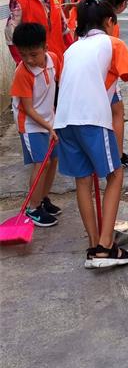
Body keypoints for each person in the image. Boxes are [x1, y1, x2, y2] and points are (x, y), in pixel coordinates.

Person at [53, 0, 128, 268]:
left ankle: (94, 245)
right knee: (115, 174)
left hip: (64, 120)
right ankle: (107, 246)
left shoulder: (72, 49)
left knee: (82, 181)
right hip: (92, 118)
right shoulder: (112, 43)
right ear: (108, 22)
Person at [9, 23, 62, 227]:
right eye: (23, 55)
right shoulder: (22, 73)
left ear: (45, 48)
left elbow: (58, 87)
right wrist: (49, 126)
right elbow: (28, 109)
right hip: (31, 125)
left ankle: (43, 199)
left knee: (54, 160)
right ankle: (33, 208)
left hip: (50, 120)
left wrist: (56, 119)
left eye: (34, 54)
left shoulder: (54, 59)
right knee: (42, 164)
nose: (29, 60)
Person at [98, 0, 128, 168]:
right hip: (107, 77)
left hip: (91, 75)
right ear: (122, 5)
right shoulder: (111, 22)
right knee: (116, 112)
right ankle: (117, 154)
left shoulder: (92, 13)